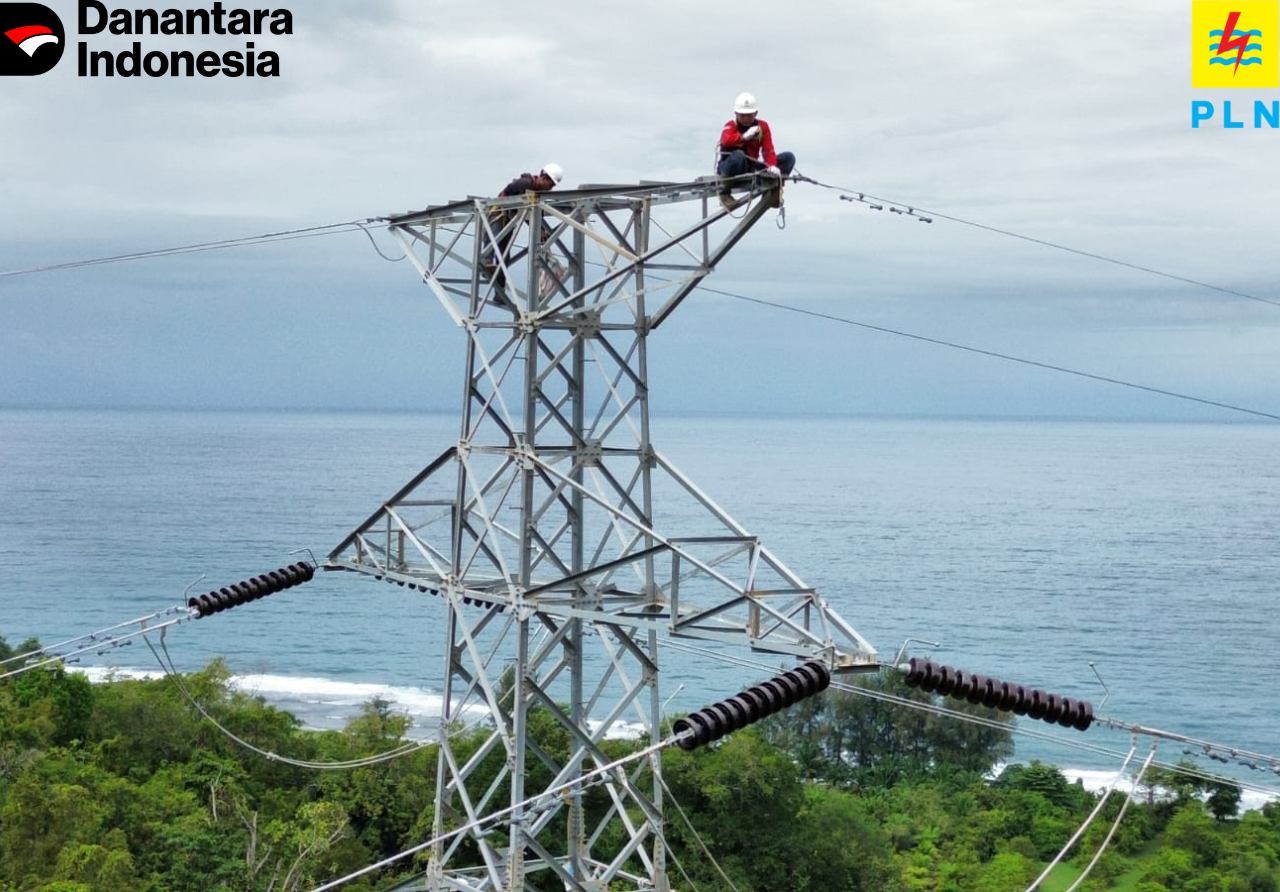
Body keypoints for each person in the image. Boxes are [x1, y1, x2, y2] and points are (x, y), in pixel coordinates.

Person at [485, 163, 564, 286]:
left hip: (508, 219)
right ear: (544, 178)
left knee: (504, 257)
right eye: (551, 184)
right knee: (493, 242)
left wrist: (541, 231)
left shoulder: (537, 193)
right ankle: (486, 264)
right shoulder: (525, 183)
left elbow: (536, 214)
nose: (550, 188)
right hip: (497, 214)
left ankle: (499, 290)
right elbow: (526, 211)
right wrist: (540, 232)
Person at [716, 93, 795, 207]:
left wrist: (772, 165)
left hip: (751, 167)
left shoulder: (762, 127)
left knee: (788, 158)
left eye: (749, 115)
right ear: (736, 114)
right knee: (739, 155)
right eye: (742, 115)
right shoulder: (730, 125)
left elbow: (768, 150)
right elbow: (726, 140)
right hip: (731, 167)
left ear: (755, 113)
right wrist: (743, 137)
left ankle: (773, 192)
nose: (746, 118)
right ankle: (724, 194)